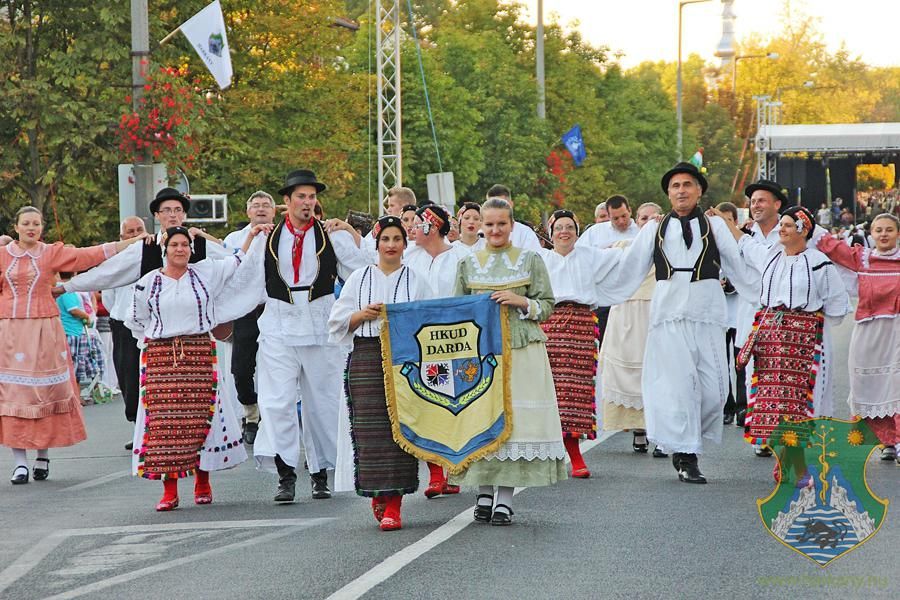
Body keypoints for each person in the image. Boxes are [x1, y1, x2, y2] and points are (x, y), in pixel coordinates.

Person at [612, 163, 758, 484]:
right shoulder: (654, 228)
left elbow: (738, 265)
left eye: (687, 185)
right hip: (669, 315)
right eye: (675, 185)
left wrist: (765, 290)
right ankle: (686, 454)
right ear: (668, 192)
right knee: (678, 388)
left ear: (699, 190)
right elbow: (628, 267)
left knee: (714, 391)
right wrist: (591, 284)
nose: (681, 190)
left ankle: (687, 441)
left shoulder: (714, 226)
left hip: (707, 312)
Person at [126, 224, 267, 510]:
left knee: (201, 417)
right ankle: (170, 489)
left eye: (185, 245)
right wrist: (158, 342)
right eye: (175, 245)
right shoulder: (148, 282)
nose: (181, 249)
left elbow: (237, 260)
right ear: (165, 250)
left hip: (198, 351)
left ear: (191, 249)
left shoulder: (205, 273)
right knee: (165, 425)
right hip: (161, 357)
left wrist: (252, 234)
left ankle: (202, 480)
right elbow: (137, 320)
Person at [1, 206, 146, 485]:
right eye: (26, 223)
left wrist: (131, 242)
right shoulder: (3, 255)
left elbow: (87, 255)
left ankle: (42, 455)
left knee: (45, 393)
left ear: (42, 227)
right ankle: (19, 462)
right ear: (15, 227)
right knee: (12, 395)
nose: (31, 228)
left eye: (36, 224)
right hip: (10, 330)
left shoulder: (50, 253)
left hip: (45, 329)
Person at [251, 169, 368, 503]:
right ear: (286, 202)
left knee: (323, 402)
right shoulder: (267, 238)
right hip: (279, 325)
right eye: (300, 196)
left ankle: (319, 472)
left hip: (319, 323)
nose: (307, 202)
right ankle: (286, 473)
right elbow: (244, 279)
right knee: (276, 402)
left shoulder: (332, 236)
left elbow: (361, 272)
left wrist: (353, 234)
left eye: (311, 196)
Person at [450, 197, 566, 525]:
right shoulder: (468, 264)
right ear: (480, 227)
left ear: (511, 225)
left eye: (502, 223)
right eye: (490, 224)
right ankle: (483, 492)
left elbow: (547, 305)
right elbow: (457, 310)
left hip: (522, 348)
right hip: (482, 353)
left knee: (516, 424)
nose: (496, 229)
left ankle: (504, 498)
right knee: (483, 421)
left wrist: (522, 301)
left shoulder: (529, 260)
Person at [714, 205, 849, 483]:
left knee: (798, 405)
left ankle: (796, 465)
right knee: (772, 404)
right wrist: (724, 223)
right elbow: (744, 242)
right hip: (770, 340)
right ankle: (785, 462)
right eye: (782, 225)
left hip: (804, 343)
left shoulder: (819, 262)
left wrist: (808, 323)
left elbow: (836, 306)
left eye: (788, 225)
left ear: (803, 230)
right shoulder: (771, 255)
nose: (782, 230)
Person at [328, 216, 433, 531]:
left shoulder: (416, 279)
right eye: (385, 239)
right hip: (367, 355)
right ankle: (378, 493)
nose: (391, 245)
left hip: (404, 360)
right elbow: (336, 322)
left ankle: (395, 504)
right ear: (377, 243)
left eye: (396, 239)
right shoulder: (359, 278)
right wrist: (361, 315)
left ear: (404, 244)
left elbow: (430, 322)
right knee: (371, 430)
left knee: (398, 431)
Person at [539, 210, 627, 478]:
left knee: (575, 392)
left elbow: (626, 257)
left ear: (577, 232)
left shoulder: (590, 255)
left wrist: (643, 236)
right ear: (550, 233)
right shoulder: (540, 259)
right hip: (549, 325)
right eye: (559, 228)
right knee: (548, 390)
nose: (564, 231)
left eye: (570, 227)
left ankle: (575, 453)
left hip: (581, 325)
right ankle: (547, 455)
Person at [815, 213, 899, 462]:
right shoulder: (863, 260)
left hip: (896, 330)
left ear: (897, 234)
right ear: (871, 234)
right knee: (869, 386)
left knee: (896, 384)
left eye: (889, 230)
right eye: (879, 230)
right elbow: (833, 249)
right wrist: (806, 223)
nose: (883, 234)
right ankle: (886, 441)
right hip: (868, 333)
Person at [404, 204, 471, 497]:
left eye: (418, 224)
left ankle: (455, 470)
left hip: (456, 341)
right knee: (427, 404)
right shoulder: (409, 258)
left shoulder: (461, 256)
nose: (412, 229)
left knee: (456, 405)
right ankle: (434, 472)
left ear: (432, 226)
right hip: (420, 342)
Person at [598, 202, 665, 457]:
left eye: (652, 217)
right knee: (626, 371)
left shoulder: (667, 247)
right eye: (643, 217)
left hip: (654, 311)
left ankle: (660, 432)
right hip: (626, 312)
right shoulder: (623, 246)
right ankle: (638, 428)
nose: (647, 221)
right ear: (637, 220)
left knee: (658, 373)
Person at [734, 179, 785, 452]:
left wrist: (738, 236)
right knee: (752, 373)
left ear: (776, 204)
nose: (756, 206)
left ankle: (779, 431)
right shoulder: (747, 234)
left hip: (778, 315)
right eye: (753, 201)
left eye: (762, 200)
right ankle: (760, 433)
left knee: (776, 375)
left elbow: (766, 261)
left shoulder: (788, 232)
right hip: (749, 312)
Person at [222, 191, 277, 444]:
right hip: (246, 308)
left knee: (276, 366)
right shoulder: (234, 238)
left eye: (266, 205)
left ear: (274, 211)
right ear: (248, 212)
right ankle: (250, 413)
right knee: (241, 368)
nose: (261, 209)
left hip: (275, 307)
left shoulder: (283, 236)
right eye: (256, 205)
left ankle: (273, 417)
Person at [101, 216, 147, 449]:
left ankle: (152, 428)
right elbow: (108, 296)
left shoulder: (154, 254)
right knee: (128, 375)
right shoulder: (115, 260)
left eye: (140, 229)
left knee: (149, 377)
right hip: (122, 323)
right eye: (130, 231)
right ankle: (136, 425)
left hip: (149, 325)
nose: (136, 234)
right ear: (122, 237)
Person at [484, 184, 541, 251]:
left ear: (511, 204)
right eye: (492, 205)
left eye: (502, 205)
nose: (497, 209)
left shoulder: (525, 233)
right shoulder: (481, 234)